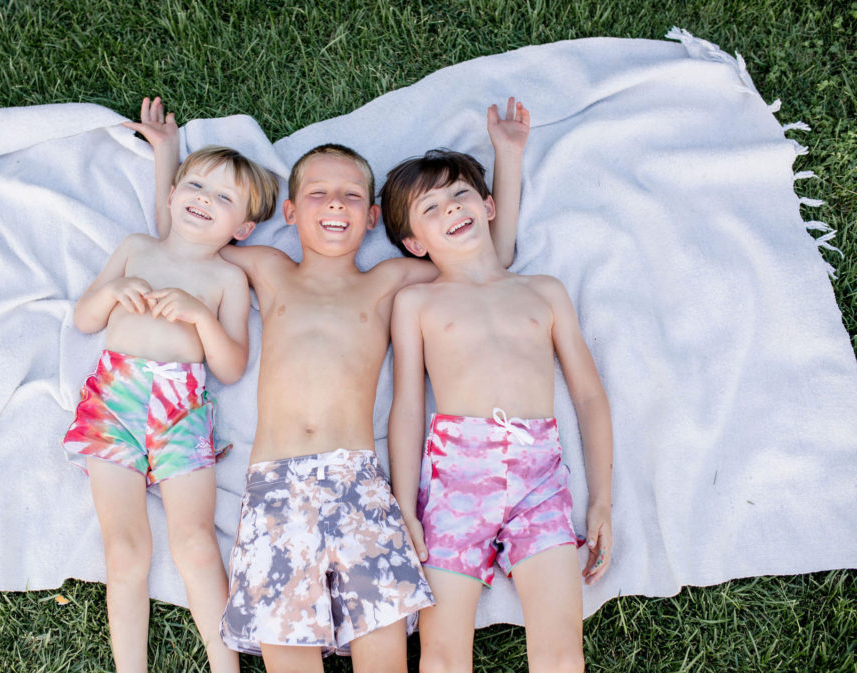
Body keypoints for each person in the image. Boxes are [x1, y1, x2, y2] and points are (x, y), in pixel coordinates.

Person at [148, 98, 529, 672]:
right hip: (276, 489)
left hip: (360, 485)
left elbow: (487, 258)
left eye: (351, 195)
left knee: (384, 656)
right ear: (291, 212)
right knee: (287, 653)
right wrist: (166, 157)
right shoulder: (270, 268)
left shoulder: (388, 280)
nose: (334, 203)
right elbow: (185, 240)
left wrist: (508, 156)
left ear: (372, 217)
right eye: (319, 193)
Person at [380, 136, 614, 673]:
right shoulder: (417, 302)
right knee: (442, 655)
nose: (451, 209)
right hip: (455, 481)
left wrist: (601, 500)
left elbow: (587, 395)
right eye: (430, 209)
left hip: (539, 481)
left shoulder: (544, 291)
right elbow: (407, 408)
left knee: (562, 652)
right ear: (414, 243)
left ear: (487, 206)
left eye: (460, 195)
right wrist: (405, 506)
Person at [62, 97, 279, 673]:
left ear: (244, 228)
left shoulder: (227, 278)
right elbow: (85, 318)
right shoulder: (138, 248)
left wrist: (200, 317)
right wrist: (112, 292)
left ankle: (225, 666)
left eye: (224, 198)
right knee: (125, 547)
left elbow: (231, 368)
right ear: (173, 196)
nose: (205, 199)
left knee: (194, 542)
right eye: (197, 186)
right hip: (115, 400)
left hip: (181, 408)